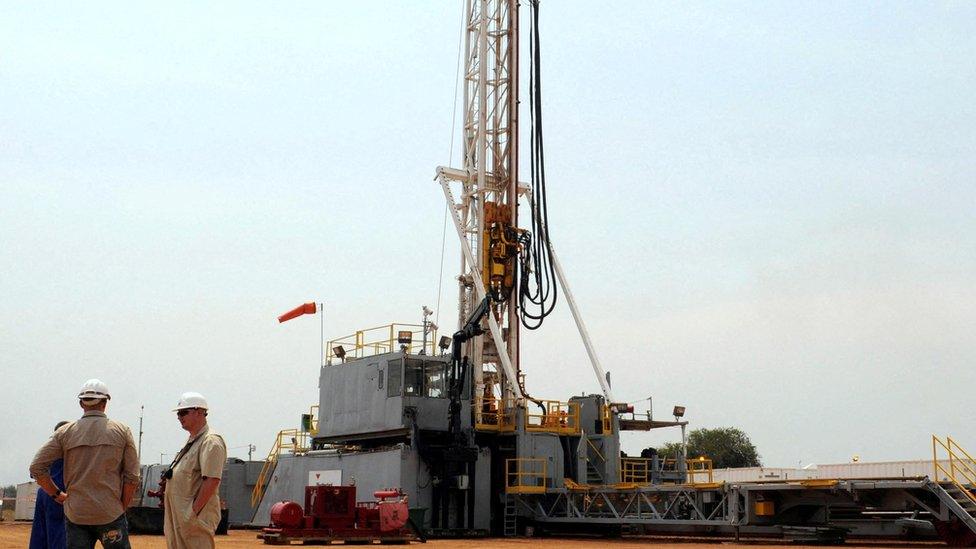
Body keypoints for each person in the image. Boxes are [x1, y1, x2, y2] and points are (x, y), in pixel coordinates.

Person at [29, 379, 141, 549]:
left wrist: (57, 495)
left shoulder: (65, 432)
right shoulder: (121, 431)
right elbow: (132, 477)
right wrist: (121, 507)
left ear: (81, 403)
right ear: (105, 403)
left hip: (76, 514)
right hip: (110, 513)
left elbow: (36, 467)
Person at [163, 392, 227, 549]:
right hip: (181, 519)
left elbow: (212, 480)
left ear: (199, 412)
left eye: (184, 412)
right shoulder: (193, 442)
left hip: (192, 519)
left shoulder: (210, 442)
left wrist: (192, 513)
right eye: (178, 413)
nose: (179, 416)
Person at [29, 421, 70, 549]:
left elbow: (35, 470)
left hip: (46, 490)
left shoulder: (49, 450)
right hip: (61, 492)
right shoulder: (70, 452)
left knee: (40, 534)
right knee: (61, 533)